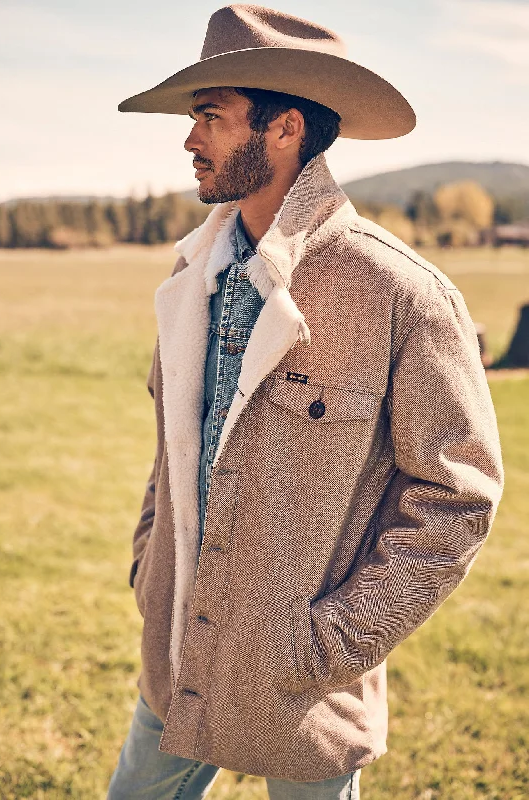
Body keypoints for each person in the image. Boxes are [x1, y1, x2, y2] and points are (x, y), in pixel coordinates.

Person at [108, 5, 504, 799]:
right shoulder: (190, 279)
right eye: (195, 119)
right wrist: (150, 566)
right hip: (178, 655)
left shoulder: (402, 294)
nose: (190, 141)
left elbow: (457, 498)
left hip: (304, 687)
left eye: (210, 118)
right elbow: (174, 449)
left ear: (284, 129)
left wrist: (331, 644)